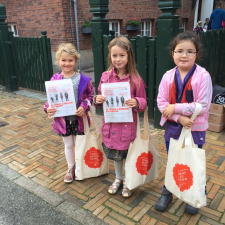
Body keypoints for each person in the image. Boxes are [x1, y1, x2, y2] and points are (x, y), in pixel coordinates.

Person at [155, 31, 212, 215]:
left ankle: (195, 194)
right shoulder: (167, 76)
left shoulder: (203, 77)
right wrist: (179, 118)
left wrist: (176, 108)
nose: (184, 55)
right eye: (179, 51)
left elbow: (203, 106)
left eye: (190, 51)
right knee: (174, 160)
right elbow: (162, 103)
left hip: (195, 128)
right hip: (174, 127)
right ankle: (168, 192)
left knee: (193, 160)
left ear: (197, 54)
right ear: (172, 53)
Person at [94, 36, 147, 198]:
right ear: (110, 56)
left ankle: (129, 181)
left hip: (127, 127)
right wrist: (97, 100)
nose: (118, 59)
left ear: (128, 55)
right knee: (116, 156)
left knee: (128, 156)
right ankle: (118, 179)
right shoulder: (105, 77)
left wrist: (136, 102)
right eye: (114, 55)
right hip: (111, 125)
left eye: (122, 55)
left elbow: (144, 102)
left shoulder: (136, 80)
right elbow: (98, 99)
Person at [43, 43, 94, 183]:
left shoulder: (81, 79)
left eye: (70, 60)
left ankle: (80, 167)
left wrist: (84, 106)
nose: (67, 63)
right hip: (62, 121)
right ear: (58, 60)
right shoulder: (55, 79)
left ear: (76, 61)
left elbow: (90, 96)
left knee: (79, 144)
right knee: (68, 145)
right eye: (64, 60)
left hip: (79, 119)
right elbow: (50, 99)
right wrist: (47, 108)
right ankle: (71, 167)